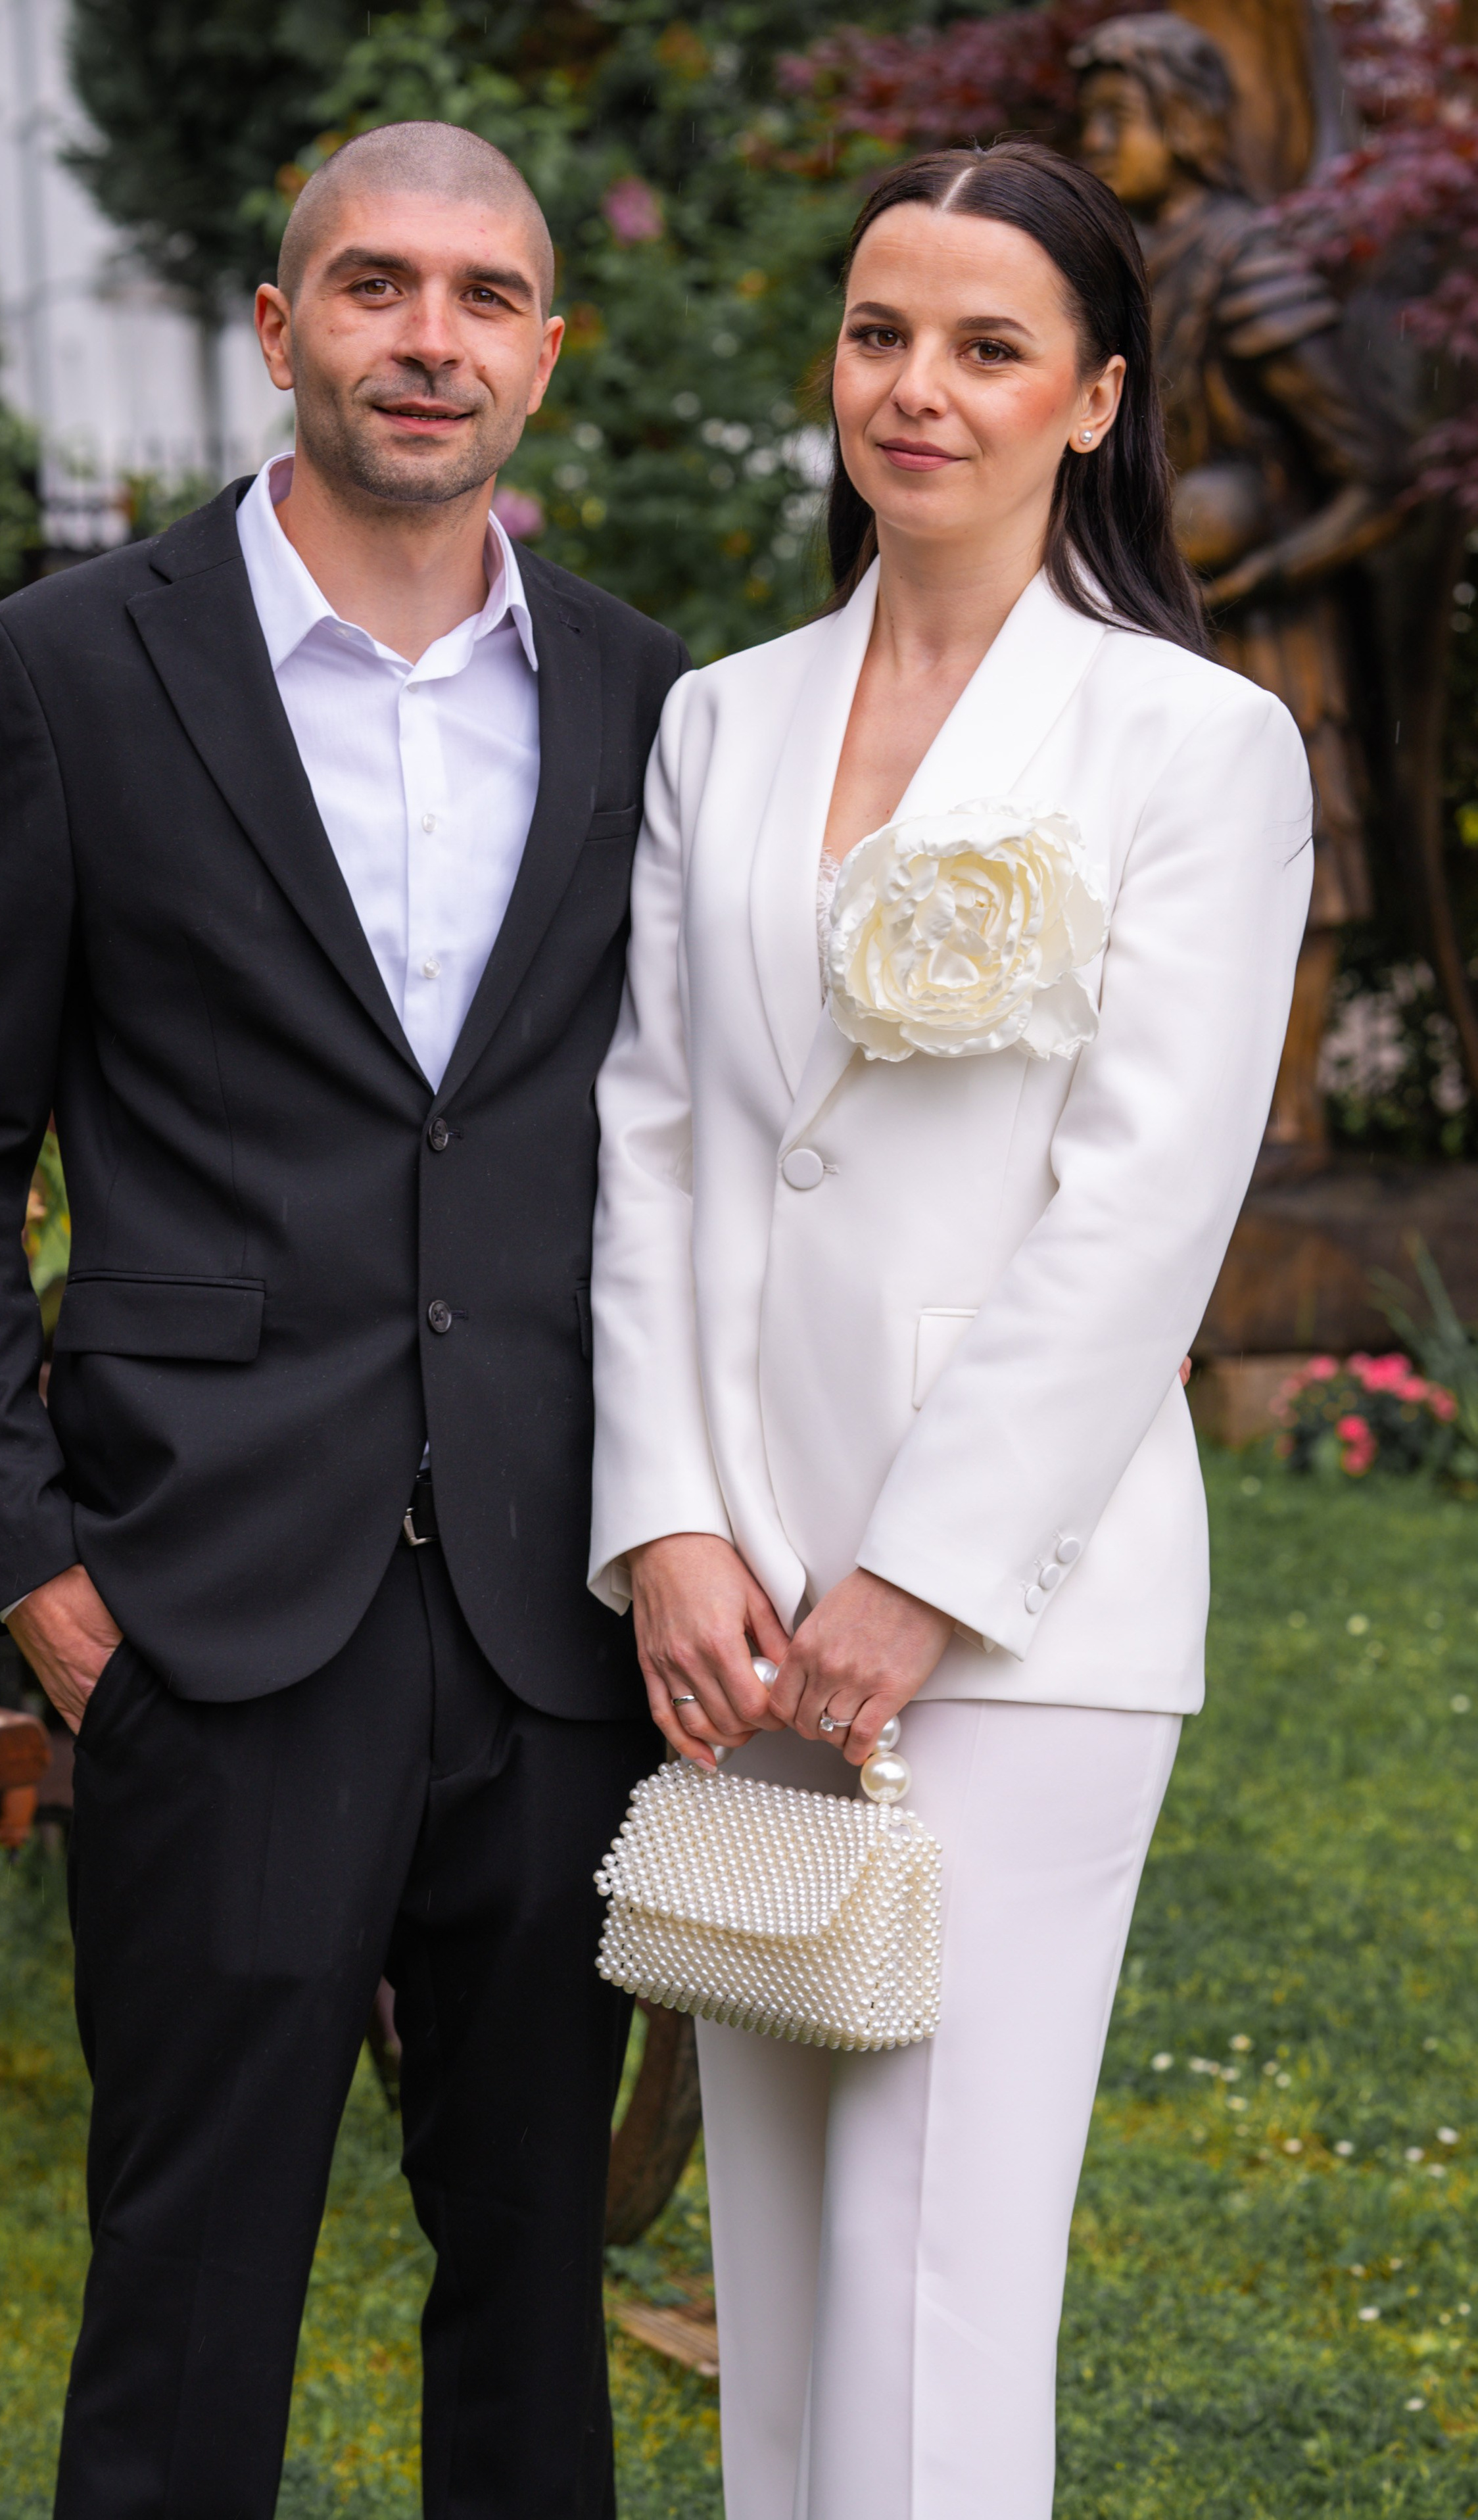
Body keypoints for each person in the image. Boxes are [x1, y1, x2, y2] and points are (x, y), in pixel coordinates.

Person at [0, 122, 685, 2520]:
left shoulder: (653, 701)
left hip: (557, 1613)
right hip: (208, 1609)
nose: (428, 339)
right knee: (193, 2281)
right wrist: (36, 1576)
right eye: (376, 285)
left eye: (482, 296)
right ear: (280, 328)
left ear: (547, 350)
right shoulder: (68, 674)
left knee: (536, 2286)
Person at [588, 141, 1310, 2519]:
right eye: (882, 332)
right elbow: (667, 1138)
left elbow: (1145, 1209)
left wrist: (911, 1578)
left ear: (1094, 398)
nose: (919, 388)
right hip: (740, 1615)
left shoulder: (1188, 747)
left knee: (938, 2278)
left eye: (988, 347)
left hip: (1012, 1622)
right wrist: (674, 1527)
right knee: (786, 2298)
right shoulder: (722, 720)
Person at [1074, 14, 1404, 1172]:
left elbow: (1378, 470)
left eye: (1125, 115)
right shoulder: (1106, 272)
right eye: (1091, 115)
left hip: (1261, 621)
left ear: (1193, 124)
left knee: (1300, 856)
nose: (1099, 137)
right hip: (1132, 603)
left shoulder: (1247, 262)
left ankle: (1290, 1114)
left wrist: (1265, 570)